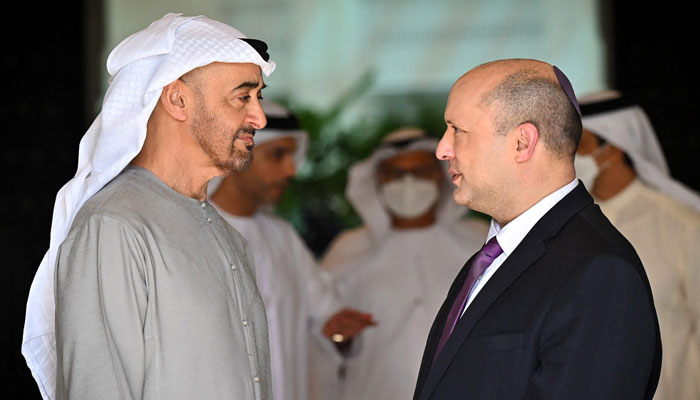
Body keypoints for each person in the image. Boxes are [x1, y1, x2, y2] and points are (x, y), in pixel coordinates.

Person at [22, 13, 278, 400]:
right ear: (177, 99)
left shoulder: (229, 238)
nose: (258, 116)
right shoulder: (114, 226)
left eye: (258, 97)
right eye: (242, 97)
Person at [413, 59, 661, 400]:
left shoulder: (599, 273)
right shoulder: (492, 256)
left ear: (522, 142)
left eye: (458, 130)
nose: (442, 149)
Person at [207, 99, 376, 400]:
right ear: (238, 152)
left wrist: (337, 329)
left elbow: (324, 311)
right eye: (277, 155)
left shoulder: (283, 237)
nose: (291, 170)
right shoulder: (194, 229)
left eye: (292, 156)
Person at [317, 127, 488, 400]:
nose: (408, 182)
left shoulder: (480, 242)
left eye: (420, 171)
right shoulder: (349, 249)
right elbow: (319, 335)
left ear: (441, 176)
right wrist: (339, 337)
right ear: (378, 182)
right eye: (395, 174)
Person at [574, 91, 700, 400]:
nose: (570, 157)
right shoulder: (566, 225)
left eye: (580, 146)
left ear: (614, 148)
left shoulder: (683, 224)